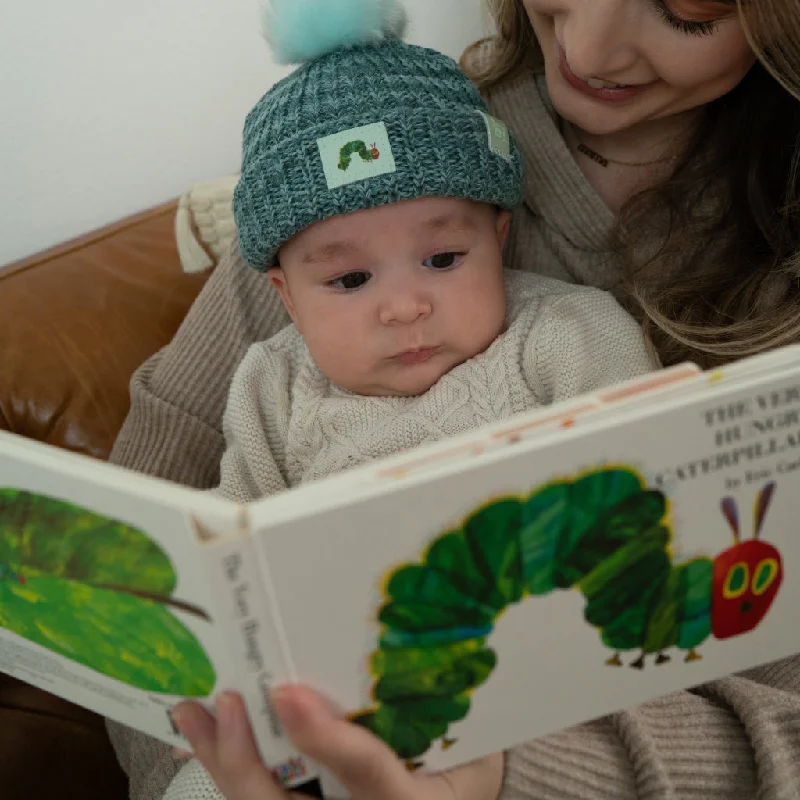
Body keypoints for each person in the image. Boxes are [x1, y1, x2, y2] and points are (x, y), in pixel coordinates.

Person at [106, 0, 800, 797]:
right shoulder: (360, 156)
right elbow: (161, 574)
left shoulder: (566, 335)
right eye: (349, 280)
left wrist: (513, 772)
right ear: (286, 292)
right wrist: (204, 758)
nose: (590, 46)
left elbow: (663, 547)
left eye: (687, 9)